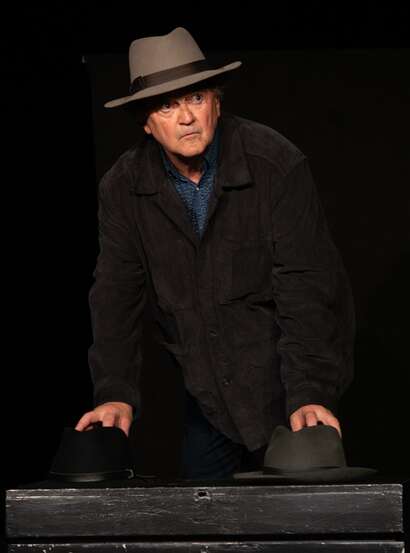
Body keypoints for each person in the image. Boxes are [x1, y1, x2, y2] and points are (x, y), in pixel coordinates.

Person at [75, 27, 355, 479]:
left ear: (217, 104)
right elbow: (115, 295)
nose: (186, 117)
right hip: (208, 400)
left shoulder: (275, 164)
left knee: (303, 508)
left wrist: (310, 393)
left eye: (196, 98)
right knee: (202, 514)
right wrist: (114, 392)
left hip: (287, 392)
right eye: (167, 106)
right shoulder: (123, 188)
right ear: (146, 123)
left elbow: (307, 286)